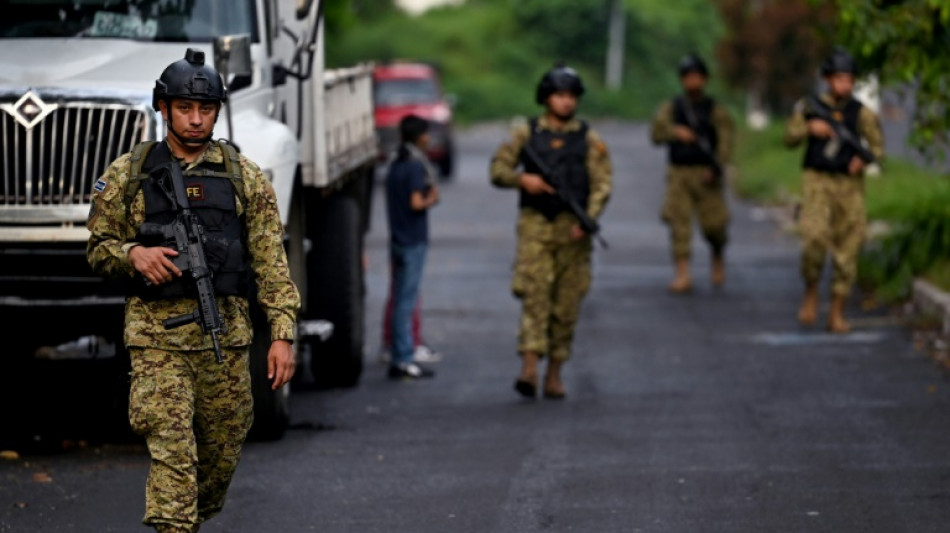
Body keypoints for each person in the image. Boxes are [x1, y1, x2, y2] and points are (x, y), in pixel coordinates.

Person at [86, 48, 300, 533]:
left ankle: (186, 518)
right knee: (174, 454)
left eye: (206, 110)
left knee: (221, 456)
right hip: (156, 340)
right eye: (185, 108)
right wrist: (132, 255)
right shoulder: (128, 174)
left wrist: (283, 334)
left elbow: (271, 261)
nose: (197, 120)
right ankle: (175, 525)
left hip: (224, 339)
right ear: (163, 108)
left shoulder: (244, 177)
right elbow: (98, 249)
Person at [490, 63, 612, 400]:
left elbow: (602, 183)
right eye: (559, 95)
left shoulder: (588, 139)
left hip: (572, 231)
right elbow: (498, 168)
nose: (566, 102)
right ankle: (529, 368)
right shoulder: (527, 134)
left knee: (566, 304)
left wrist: (587, 219)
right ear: (546, 98)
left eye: (571, 96)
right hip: (536, 226)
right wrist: (522, 179)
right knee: (535, 296)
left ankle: (555, 374)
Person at [783, 48, 884, 333]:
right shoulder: (809, 106)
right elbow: (788, 138)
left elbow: (877, 147)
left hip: (849, 185)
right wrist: (809, 128)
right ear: (828, 79)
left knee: (848, 248)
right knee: (814, 239)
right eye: (839, 78)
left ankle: (837, 311)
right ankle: (811, 290)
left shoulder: (861, 113)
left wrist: (862, 160)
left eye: (849, 79)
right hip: (817, 180)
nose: (845, 85)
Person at [650, 53, 736, 293]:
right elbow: (656, 134)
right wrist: (675, 132)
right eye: (688, 77)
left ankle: (717, 254)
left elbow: (726, 140)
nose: (693, 82)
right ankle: (682, 273)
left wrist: (717, 166)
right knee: (679, 223)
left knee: (714, 225)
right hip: (679, 172)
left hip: (706, 173)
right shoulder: (672, 107)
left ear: (705, 79)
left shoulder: (715, 110)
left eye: (697, 77)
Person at [385, 114, 440, 379]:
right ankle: (403, 357)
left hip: (397, 237)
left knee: (399, 299)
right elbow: (417, 202)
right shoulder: (416, 166)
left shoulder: (396, 162)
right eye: (426, 134)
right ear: (420, 136)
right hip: (413, 240)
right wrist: (433, 197)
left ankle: (399, 353)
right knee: (406, 302)